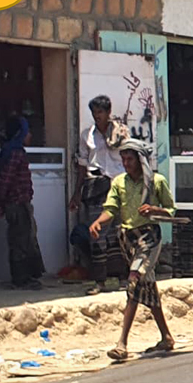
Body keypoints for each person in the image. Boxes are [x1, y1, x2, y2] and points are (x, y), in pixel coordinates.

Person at [89, 138, 176, 361]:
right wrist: (99, 222)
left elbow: (170, 210)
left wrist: (155, 209)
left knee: (134, 281)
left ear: (140, 160)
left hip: (149, 238)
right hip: (129, 240)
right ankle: (166, 336)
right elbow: (111, 209)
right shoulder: (119, 182)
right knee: (148, 286)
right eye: (123, 159)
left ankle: (122, 343)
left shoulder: (156, 182)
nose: (126, 163)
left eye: (130, 159)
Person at [73, 95, 123, 292]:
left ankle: (122, 278)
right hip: (96, 187)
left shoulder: (121, 132)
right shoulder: (87, 135)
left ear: (108, 112)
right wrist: (77, 193)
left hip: (118, 186)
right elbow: (82, 166)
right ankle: (99, 281)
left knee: (118, 233)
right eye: (94, 112)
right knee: (97, 233)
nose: (97, 116)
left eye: (100, 112)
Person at [0, 112, 44, 290]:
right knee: (21, 240)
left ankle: (27, 275)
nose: (30, 135)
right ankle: (21, 278)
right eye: (27, 132)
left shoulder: (12, 152)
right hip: (17, 204)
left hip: (19, 203)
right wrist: (1, 202)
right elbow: (5, 180)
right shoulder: (15, 154)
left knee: (25, 237)